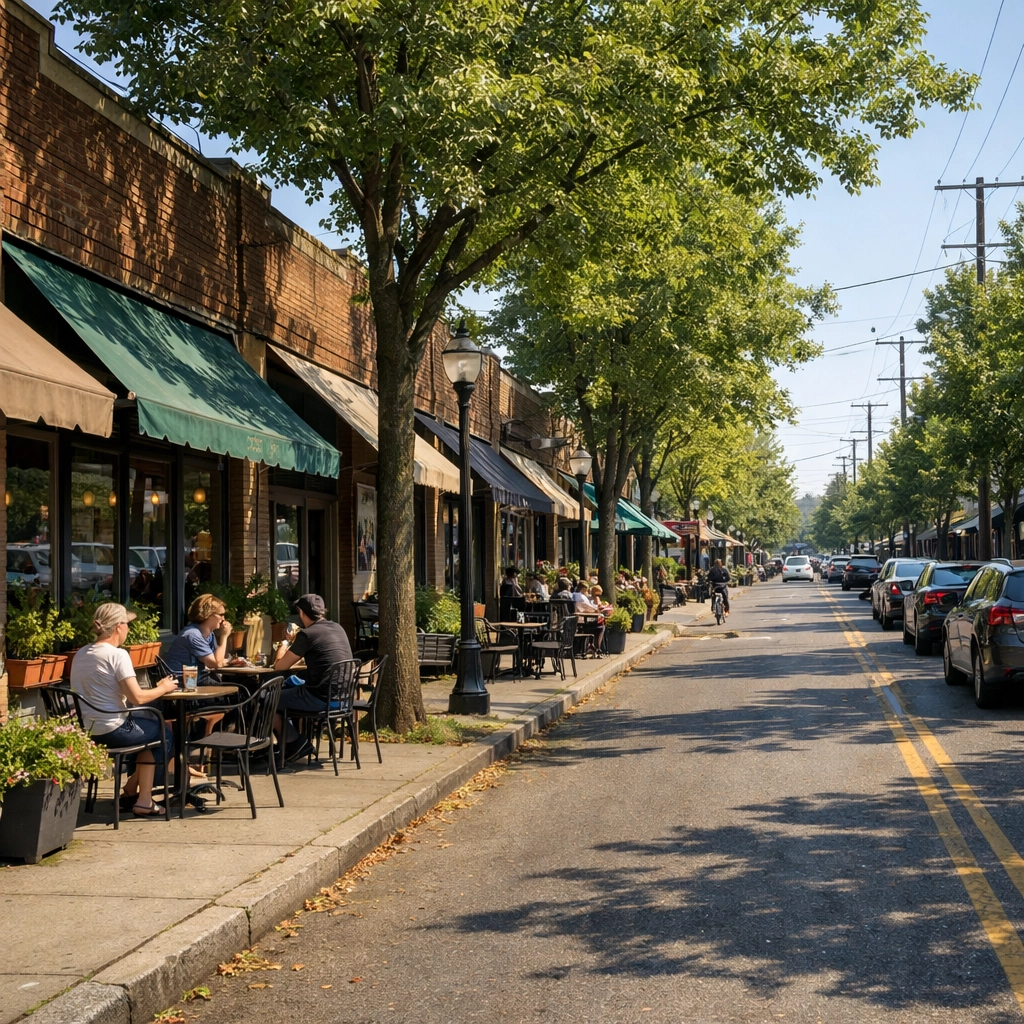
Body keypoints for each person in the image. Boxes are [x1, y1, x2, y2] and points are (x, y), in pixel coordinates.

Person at [70, 602, 177, 817]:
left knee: (150, 732)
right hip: (113, 730)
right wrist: (163, 687)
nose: (129, 628)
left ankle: (132, 790)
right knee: (163, 732)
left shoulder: (81, 653)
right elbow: (136, 697)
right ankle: (143, 800)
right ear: (119, 626)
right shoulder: (118, 655)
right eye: (127, 624)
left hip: (88, 731)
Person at [273, 594, 354, 760]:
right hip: (345, 698)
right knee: (290, 690)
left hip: (322, 697)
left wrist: (285, 642)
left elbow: (280, 666)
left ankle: (296, 744)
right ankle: (294, 743)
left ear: (302, 613)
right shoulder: (338, 627)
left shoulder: (307, 634)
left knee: (268, 701)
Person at [164, 593, 233, 681]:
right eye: (221, 615)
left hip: (196, 677)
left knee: (242, 683)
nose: (223, 619)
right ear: (208, 614)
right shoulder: (193, 635)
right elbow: (215, 664)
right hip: (183, 681)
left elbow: (216, 659)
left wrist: (231, 662)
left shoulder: (209, 634)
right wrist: (224, 637)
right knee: (236, 688)